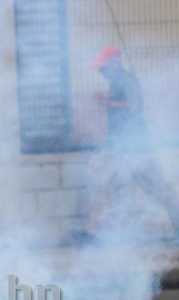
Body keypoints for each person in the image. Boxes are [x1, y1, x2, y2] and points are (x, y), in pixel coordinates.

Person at [72, 47, 179, 244]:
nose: (100, 72)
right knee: (104, 185)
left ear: (114, 64)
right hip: (121, 147)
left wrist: (108, 103)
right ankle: (91, 232)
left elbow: (134, 107)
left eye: (103, 67)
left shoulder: (129, 81)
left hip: (137, 147)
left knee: (157, 189)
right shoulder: (115, 84)